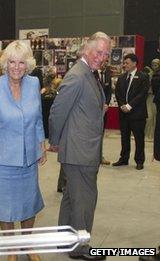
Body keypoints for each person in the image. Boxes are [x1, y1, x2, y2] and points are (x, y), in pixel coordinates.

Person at [0, 40, 46, 261]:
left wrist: (41, 145)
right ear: (5, 64)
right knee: (5, 207)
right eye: (12, 62)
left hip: (28, 158)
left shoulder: (34, 83)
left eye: (21, 62)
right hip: (2, 160)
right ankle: (12, 249)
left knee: (29, 204)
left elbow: (37, 119)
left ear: (28, 64)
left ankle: (27, 245)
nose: (16, 67)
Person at [48, 32, 111, 260]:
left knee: (72, 197)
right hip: (79, 152)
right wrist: (54, 141)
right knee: (85, 199)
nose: (102, 57)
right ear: (87, 48)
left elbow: (80, 107)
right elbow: (57, 111)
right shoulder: (78, 75)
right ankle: (79, 248)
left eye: (105, 54)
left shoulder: (89, 73)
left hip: (81, 150)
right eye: (98, 52)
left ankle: (63, 239)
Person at [112, 53, 149, 170]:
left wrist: (130, 106)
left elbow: (142, 94)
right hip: (124, 113)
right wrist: (122, 105)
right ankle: (123, 158)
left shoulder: (143, 77)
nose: (124, 65)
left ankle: (139, 161)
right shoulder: (122, 78)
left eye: (127, 63)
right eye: (124, 63)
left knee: (139, 138)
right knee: (124, 137)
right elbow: (118, 93)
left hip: (137, 114)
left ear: (134, 63)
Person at [95, 61, 112, 165]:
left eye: (106, 61)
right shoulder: (92, 73)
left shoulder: (107, 74)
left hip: (104, 110)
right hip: (93, 109)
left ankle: (100, 157)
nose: (105, 63)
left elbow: (108, 91)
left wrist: (106, 104)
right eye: (103, 60)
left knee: (101, 133)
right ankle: (93, 157)